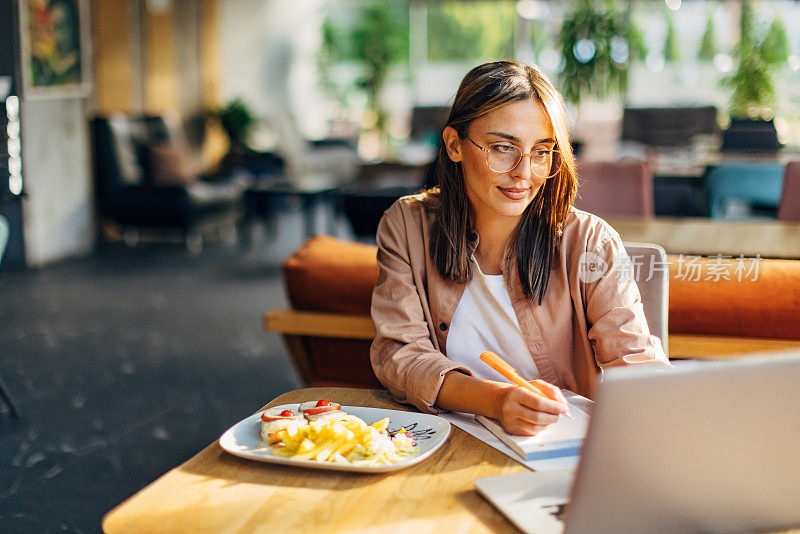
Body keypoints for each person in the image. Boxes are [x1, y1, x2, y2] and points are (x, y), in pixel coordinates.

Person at [370, 60, 669, 436]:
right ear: (454, 145)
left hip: (555, 447)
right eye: (503, 148)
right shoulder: (407, 225)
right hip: (441, 440)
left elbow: (637, 364)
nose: (524, 173)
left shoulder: (592, 241)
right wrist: (496, 400)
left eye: (542, 152)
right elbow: (400, 356)